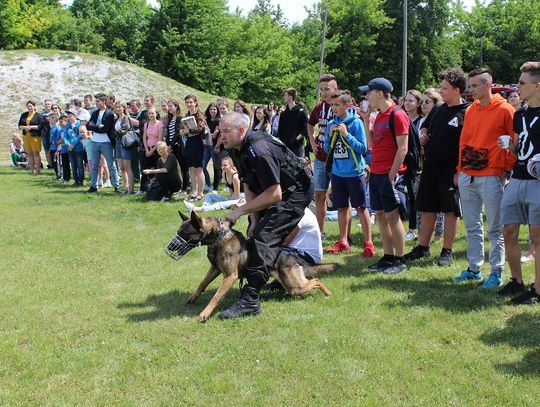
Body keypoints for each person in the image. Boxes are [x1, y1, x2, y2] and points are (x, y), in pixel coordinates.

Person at [217, 112, 313, 319]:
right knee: (256, 232)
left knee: (264, 237)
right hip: (275, 191)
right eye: (220, 131)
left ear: (241, 130)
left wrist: (241, 210)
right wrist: (254, 218)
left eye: (226, 131)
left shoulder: (259, 150)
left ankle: (250, 300)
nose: (221, 136)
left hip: (295, 193)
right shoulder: (236, 148)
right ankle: (277, 278)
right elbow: (249, 183)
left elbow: (274, 194)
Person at [451, 68, 515, 288]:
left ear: (488, 85)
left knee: (495, 227)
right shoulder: (471, 110)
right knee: (472, 225)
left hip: (492, 174)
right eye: (470, 86)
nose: (471, 90)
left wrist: (504, 168)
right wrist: (460, 169)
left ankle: (496, 272)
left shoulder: (506, 109)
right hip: (469, 174)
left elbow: (514, 142)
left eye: (475, 85)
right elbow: (464, 140)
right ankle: (474, 269)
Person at [404, 69, 470, 267]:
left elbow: (469, 143)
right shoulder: (438, 109)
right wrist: (423, 133)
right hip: (430, 167)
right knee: (427, 208)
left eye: (445, 88)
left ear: (457, 90)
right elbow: (426, 126)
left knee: (450, 211)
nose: (441, 91)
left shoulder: (466, 111)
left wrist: (461, 170)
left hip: (451, 169)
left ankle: (447, 250)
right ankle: (423, 247)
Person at [497, 61, 540, 304]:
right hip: (517, 177)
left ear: (537, 85)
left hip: (537, 181)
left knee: (537, 235)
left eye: (522, 83)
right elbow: (517, 149)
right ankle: (516, 281)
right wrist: (509, 147)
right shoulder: (519, 114)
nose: (517, 87)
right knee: (509, 230)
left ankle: (538, 290)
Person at [359, 77, 409, 274]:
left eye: (369, 93)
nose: (366, 96)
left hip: (389, 174)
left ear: (380, 93)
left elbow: (403, 148)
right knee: (380, 215)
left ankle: (400, 258)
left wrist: (392, 174)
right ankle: (388, 256)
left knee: (392, 216)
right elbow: (372, 143)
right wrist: (365, 119)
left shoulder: (397, 114)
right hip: (377, 171)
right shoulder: (379, 115)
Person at [323, 90, 374, 257]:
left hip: (355, 172)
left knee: (361, 207)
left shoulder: (356, 123)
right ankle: (343, 240)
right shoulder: (331, 124)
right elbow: (325, 149)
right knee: (342, 208)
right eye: (332, 105)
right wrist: (330, 138)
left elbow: (362, 148)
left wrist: (347, 135)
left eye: (337, 105)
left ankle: (368, 242)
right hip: (338, 173)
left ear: (347, 105)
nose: (334, 108)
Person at [308, 74, 340, 236]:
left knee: (341, 198)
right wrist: (312, 142)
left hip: (339, 159)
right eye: (321, 90)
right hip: (320, 158)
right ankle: (320, 232)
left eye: (327, 89)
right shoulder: (319, 106)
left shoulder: (344, 106)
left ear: (336, 89)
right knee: (319, 195)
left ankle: (344, 236)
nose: (324, 93)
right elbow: (310, 123)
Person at [86, 93, 120, 193]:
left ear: (104, 102)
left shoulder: (110, 114)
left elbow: (105, 129)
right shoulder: (95, 113)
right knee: (94, 165)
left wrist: (96, 127)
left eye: (98, 101)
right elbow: (88, 126)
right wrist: (97, 127)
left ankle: (116, 186)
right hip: (95, 142)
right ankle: (93, 186)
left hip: (106, 142)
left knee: (111, 165)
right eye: (96, 101)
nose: (96, 103)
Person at [402, 90, 423, 241]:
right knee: (410, 196)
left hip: (418, 164)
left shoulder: (421, 121)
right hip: (405, 162)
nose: (407, 103)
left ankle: (417, 228)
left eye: (411, 101)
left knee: (418, 197)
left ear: (418, 103)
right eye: (406, 100)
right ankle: (413, 228)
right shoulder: (402, 119)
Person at [180, 94, 206, 201]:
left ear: (195, 102)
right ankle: (194, 192)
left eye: (191, 102)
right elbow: (184, 128)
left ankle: (200, 193)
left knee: (198, 168)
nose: (189, 104)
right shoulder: (186, 115)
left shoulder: (199, 114)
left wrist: (188, 131)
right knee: (191, 168)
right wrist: (182, 131)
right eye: (187, 102)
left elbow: (201, 128)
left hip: (198, 142)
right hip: (189, 142)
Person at [136, 107, 163, 195]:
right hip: (147, 148)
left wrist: (152, 151)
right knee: (145, 169)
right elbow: (144, 137)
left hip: (156, 150)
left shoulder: (160, 124)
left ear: (156, 114)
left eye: (152, 113)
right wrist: (147, 150)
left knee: (156, 168)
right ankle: (142, 189)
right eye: (149, 113)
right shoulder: (146, 124)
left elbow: (160, 139)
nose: (151, 115)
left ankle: (158, 188)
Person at [277, 88, 308, 157]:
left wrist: (296, 139)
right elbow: (280, 129)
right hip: (285, 146)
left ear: (290, 97)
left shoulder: (301, 112)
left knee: (299, 166)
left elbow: (305, 129)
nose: (283, 97)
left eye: (285, 95)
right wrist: (282, 141)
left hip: (298, 147)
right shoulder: (283, 113)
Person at [113, 101, 135, 194]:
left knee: (127, 167)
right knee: (121, 167)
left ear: (124, 108)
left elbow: (123, 131)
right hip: (118, 143)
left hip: (125, 143)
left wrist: (114, 133)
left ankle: (131, 189)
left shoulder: (126, 118)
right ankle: (125, 188)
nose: (118, 109)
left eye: (120, 107)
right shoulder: (116, 119)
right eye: (117, 107)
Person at [18, 100, 44, 175]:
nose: (29, 107)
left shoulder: (38, 116)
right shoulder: (24, 115)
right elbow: (19, 125)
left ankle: (38, 170)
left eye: (31, 106)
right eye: (28, 106)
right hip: (26, 136)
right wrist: (24, 127)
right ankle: (32, 170)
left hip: (35, 137)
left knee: (36, 153)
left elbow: (40, 126)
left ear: (34, 107)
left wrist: (31, 127)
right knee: (29, 153)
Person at [62, 109, 84, 186]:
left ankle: (81, 181)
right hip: (70, 148)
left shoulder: (79, 124)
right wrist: (68, 144)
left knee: (79, 165)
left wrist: (73, 144)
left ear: (75, 116)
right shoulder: (68, 125)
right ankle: (76, 181)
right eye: (68, 116)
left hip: (78, 147)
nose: (69, 117)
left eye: (70, 116)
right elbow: (64, 136)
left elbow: (80, 136)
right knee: (73, 165)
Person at [204, 102, 221, 192]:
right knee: (203, 165)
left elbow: (215, 135)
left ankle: (216, 187)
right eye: (211, 109)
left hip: (214, 145)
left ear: (217, 110)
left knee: (216, 166)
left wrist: (207, 134)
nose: (212, 111)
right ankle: (208, 184)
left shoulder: (219, 120)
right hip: (206, 146)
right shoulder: (206, 120)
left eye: (214, 109)